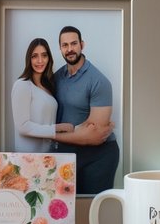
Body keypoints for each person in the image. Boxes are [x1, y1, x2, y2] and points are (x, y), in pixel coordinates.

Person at [51, 25, 120, 195]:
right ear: (60, 48)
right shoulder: (56, 78)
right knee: (64, 211)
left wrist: (48, 134)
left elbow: (94, 136)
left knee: (91, 210)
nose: (70, 49)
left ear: (82, 44)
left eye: (74, 44)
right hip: (66, 155)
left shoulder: (99, 81)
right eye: (65, 45)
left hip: (98, 157)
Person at [10, 39, 75, 153]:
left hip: (48, 157)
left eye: (44, 55)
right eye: (35, 56)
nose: (40, 61)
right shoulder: (22, 85)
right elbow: (23, 126)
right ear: (29, 59)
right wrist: (57, 128)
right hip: (28, 157)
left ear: (49, 58)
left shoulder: (48, 87)